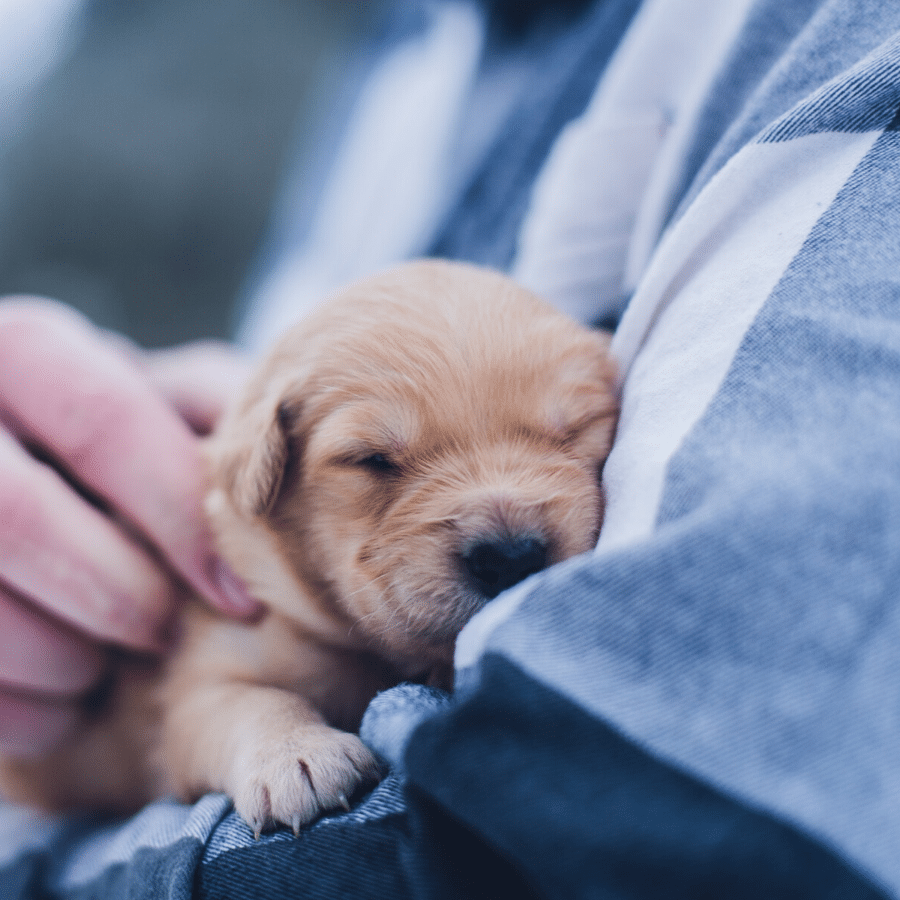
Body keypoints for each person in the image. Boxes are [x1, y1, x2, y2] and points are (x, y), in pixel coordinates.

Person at [1, 0, 899, 897]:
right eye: (379, 465)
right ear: (261, 478)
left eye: (566, 431)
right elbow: (206, 712)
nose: (505, 526)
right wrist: (266, 739)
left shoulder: (831, 40)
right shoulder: (398, 59)